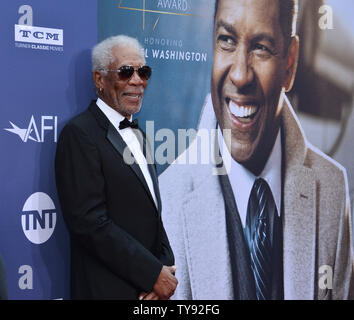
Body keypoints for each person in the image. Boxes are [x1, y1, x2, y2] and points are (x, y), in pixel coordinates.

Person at [160, 0, 354, 299]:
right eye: (226, 40)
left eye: (261, 47)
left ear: (289, 64)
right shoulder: (166, 202)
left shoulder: (332, 188)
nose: (240, 75)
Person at [55, 35, 177, 300]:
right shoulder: (80, 134)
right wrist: (152, 274)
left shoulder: (140, 135)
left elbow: (154, 214)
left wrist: (165, 269)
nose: (137, 81)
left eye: (143, 72)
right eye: (125, 72)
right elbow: (89, 223)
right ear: (99, 79)